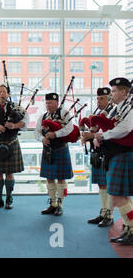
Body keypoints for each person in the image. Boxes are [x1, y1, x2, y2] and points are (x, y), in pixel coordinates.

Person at [93, 78, 133, 245]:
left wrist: (103, 135)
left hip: (124, 152)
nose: (112, 94)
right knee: (121, 195)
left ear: (123, 92)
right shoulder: (119, 108)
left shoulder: (130, 107)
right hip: (116, 152)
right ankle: (129, 228)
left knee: (117, 196)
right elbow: (109, 125)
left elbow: (125, 129)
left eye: (114, 91)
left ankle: (131, 228)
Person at [0, 85, 29, 209]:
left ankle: (9, 198)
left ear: (8, 94)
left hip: (11, 142)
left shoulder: (16, 107)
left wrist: (14, 125)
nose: (2, 94)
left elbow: (25, 122)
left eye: (4, 92)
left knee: (9, 172)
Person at [34, 93, 73, 216]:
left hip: (60, 148)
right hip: (48, 149)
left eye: (50, 102)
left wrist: (56, 134)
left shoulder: (64, 114)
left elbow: (69, 129)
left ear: (57, 103)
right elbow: (36, 132)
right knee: (49, 178)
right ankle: (52, 204)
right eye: (46, 103)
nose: (48, 105)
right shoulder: (43, 116)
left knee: (61, 179)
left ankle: (60, 205)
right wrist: (42, 139)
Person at [81, 87, 114, 227]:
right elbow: (94, 129)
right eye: (98, 98)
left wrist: (92, 135)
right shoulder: (98, 113)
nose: (99, 101)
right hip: (98, 152)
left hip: (109, 152)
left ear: (109, 99)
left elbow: (110, 132)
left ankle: (109, 215)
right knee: (102, 184)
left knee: (109, 185)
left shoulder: (113, 113)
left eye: (102, 98)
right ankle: (104, 212)